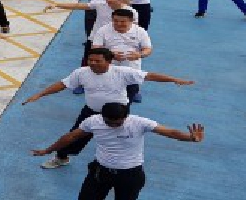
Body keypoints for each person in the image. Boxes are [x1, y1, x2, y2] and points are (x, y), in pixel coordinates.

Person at [32, 101, 204, 200]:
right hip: (101, 171)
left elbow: (168, 131)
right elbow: (71, 137)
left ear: (126, 116)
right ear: (102, 117)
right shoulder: (93, 121)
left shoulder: (139, 122)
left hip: (130, 174)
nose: (113, 125)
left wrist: (189, 138)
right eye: (109, 122)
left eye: (118, 122)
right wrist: (48, 150)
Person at [22, 48, 193, 169]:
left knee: (121, 140)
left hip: (118, 114)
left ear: (109, 61)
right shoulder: (81, 72)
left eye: (98, 61)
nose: (93, 64)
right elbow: (63, 84)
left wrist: (173, 79)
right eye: (90, 60)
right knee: (74, 136)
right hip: (91, 111)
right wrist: (40, 94)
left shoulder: (122, 72)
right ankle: (61, 157)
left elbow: (150, 76)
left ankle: (119, 166)